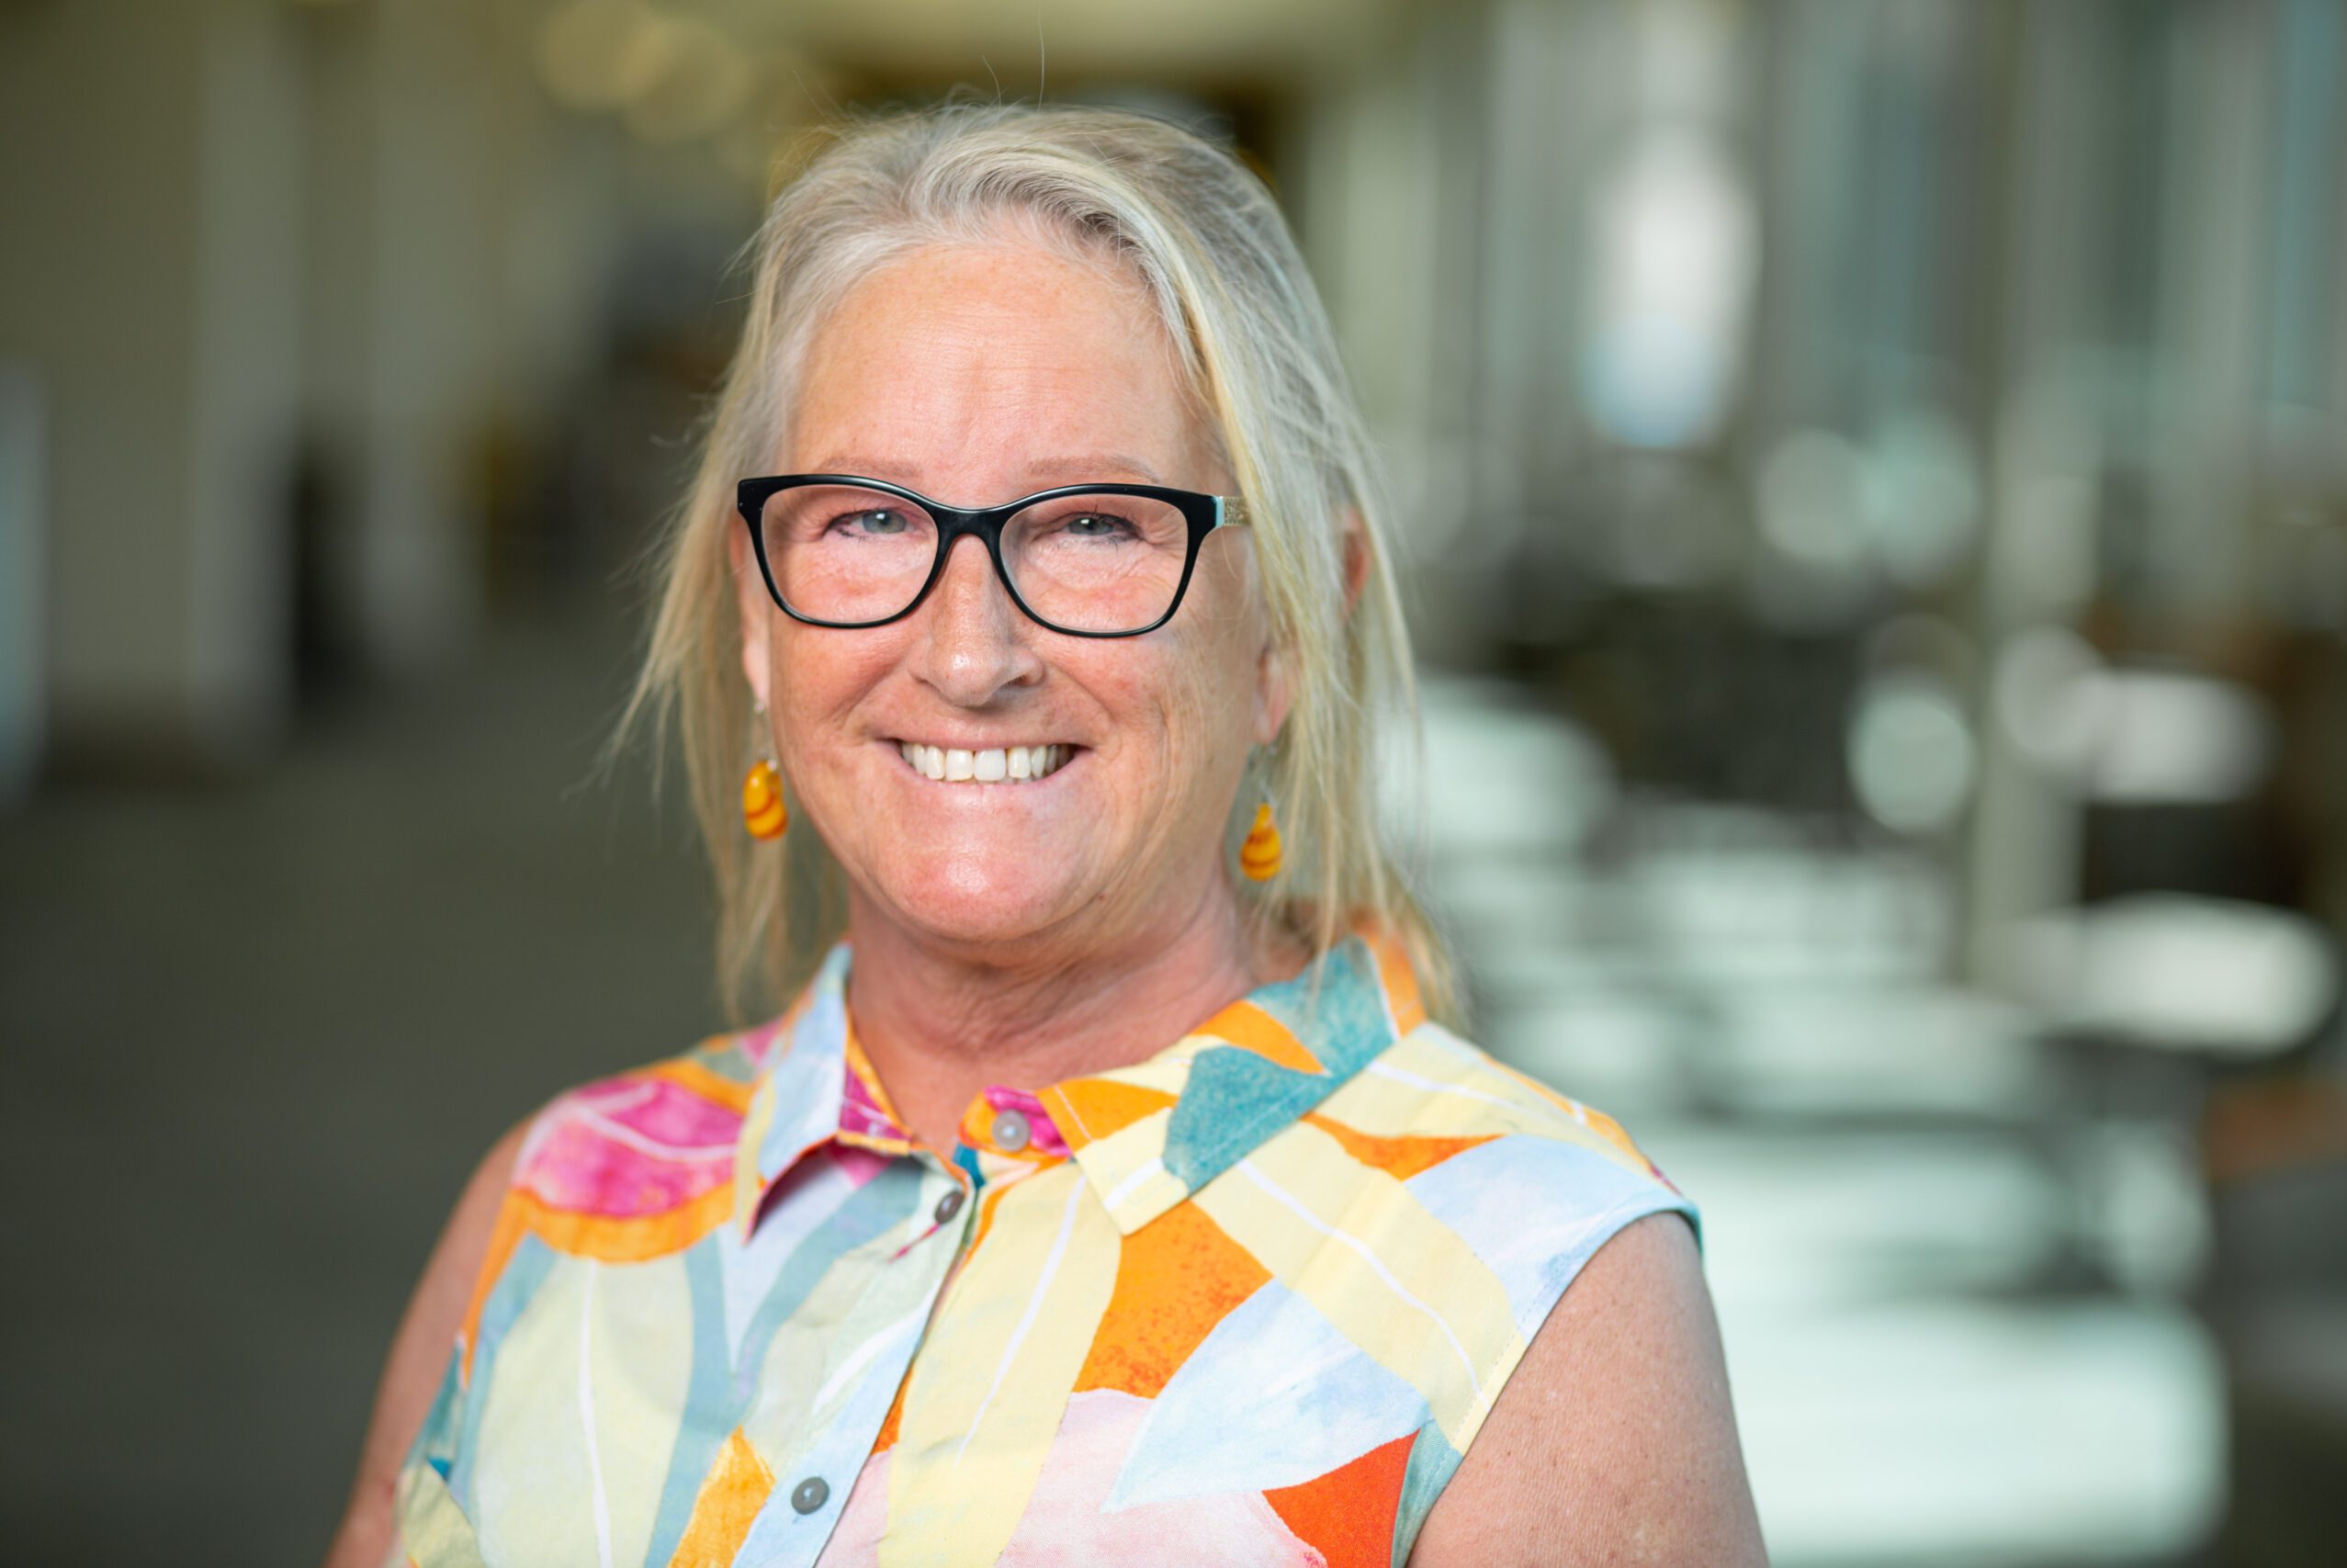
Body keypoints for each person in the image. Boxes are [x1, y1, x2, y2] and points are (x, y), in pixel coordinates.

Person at [326, 102, 1764, 1567]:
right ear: (756, 619)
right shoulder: (552, 1212)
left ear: (1285, 629)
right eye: (867, 522)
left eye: (1092, 526)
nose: (968, 652)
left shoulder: (1538, 1293)